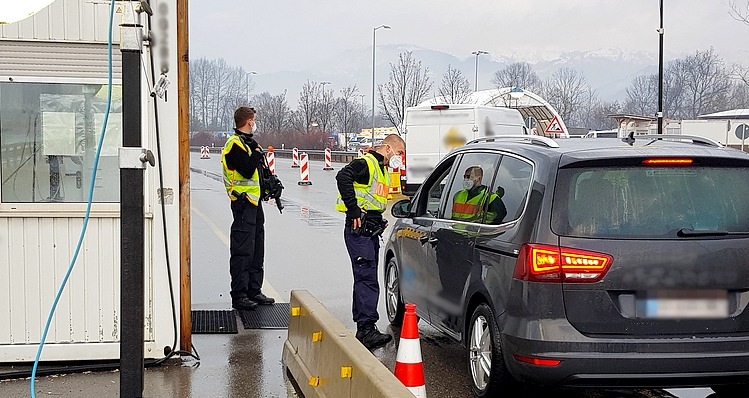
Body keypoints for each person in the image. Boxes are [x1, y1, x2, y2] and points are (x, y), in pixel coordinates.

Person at [335, 134, 405, 349]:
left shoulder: (381, 169)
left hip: (368, 229)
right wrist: (354, 208)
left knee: (365, 278)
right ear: (388, 148)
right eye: (399, 152)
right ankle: (366, 329)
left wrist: (377, 218)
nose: (400, 158)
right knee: (367, 279)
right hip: (359, 230)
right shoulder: (367, 163)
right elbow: (342, 176)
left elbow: (372, 199)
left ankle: (364, 326)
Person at [221, 106, 275, 311]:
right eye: (254, 120)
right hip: (242, 203)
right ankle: (240, 294)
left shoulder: (249, 143)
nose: (255, 123)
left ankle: (254, 290)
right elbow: (246, 169)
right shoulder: (234, 145)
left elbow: (258, 173)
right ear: (249, 121)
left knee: (256, 249)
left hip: (254, 202)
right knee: (243, 250)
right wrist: (257, 155)